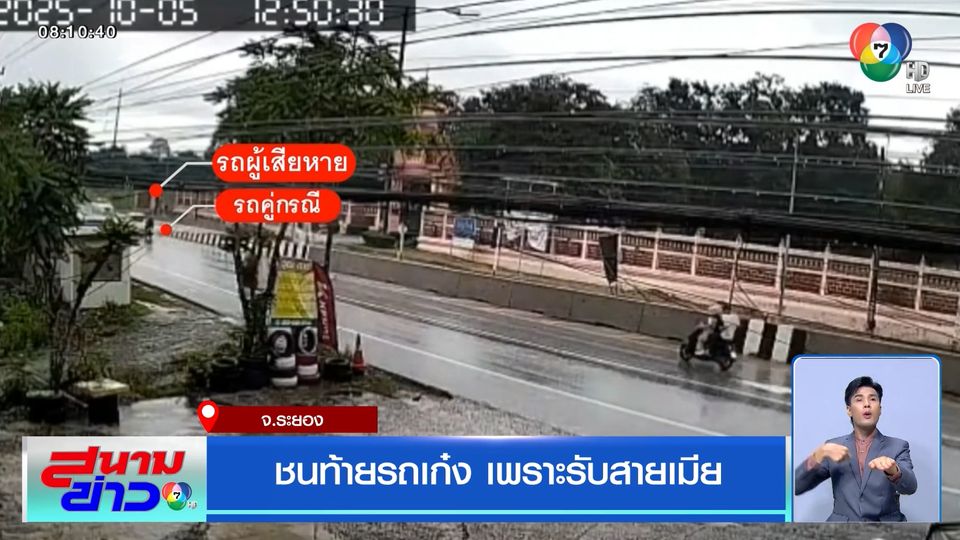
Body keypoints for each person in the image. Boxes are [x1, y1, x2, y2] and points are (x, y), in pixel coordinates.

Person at [795, 376, 917, 522]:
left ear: (880, 409)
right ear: (849, 410)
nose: (867, 404)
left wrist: (894, 470)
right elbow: (796, 486)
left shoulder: (898, 446)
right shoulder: (832, 447)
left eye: (873, 399)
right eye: (859, 399)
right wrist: (818, 455)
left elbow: (910, 487)